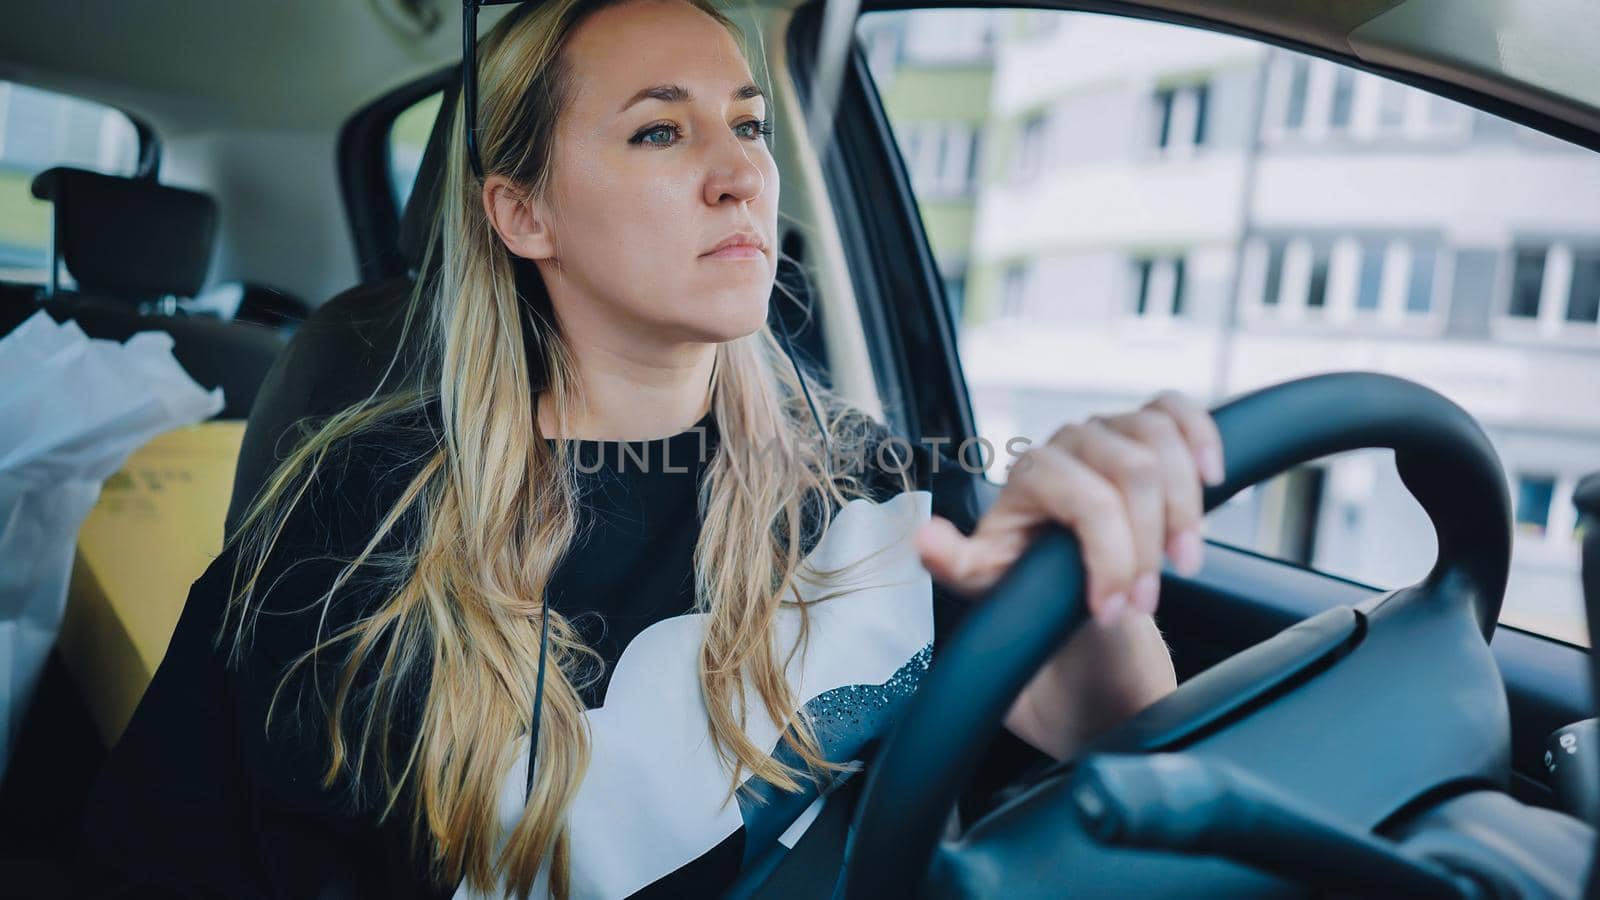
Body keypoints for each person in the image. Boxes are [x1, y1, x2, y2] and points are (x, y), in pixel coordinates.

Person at [75, 0, 1223, 897]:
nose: (740, 175)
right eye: (661, 129)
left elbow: (1096, 765)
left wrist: (1099, 607)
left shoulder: (873, 475)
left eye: (750, 123)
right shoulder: (353, 527)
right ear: (524, 215)